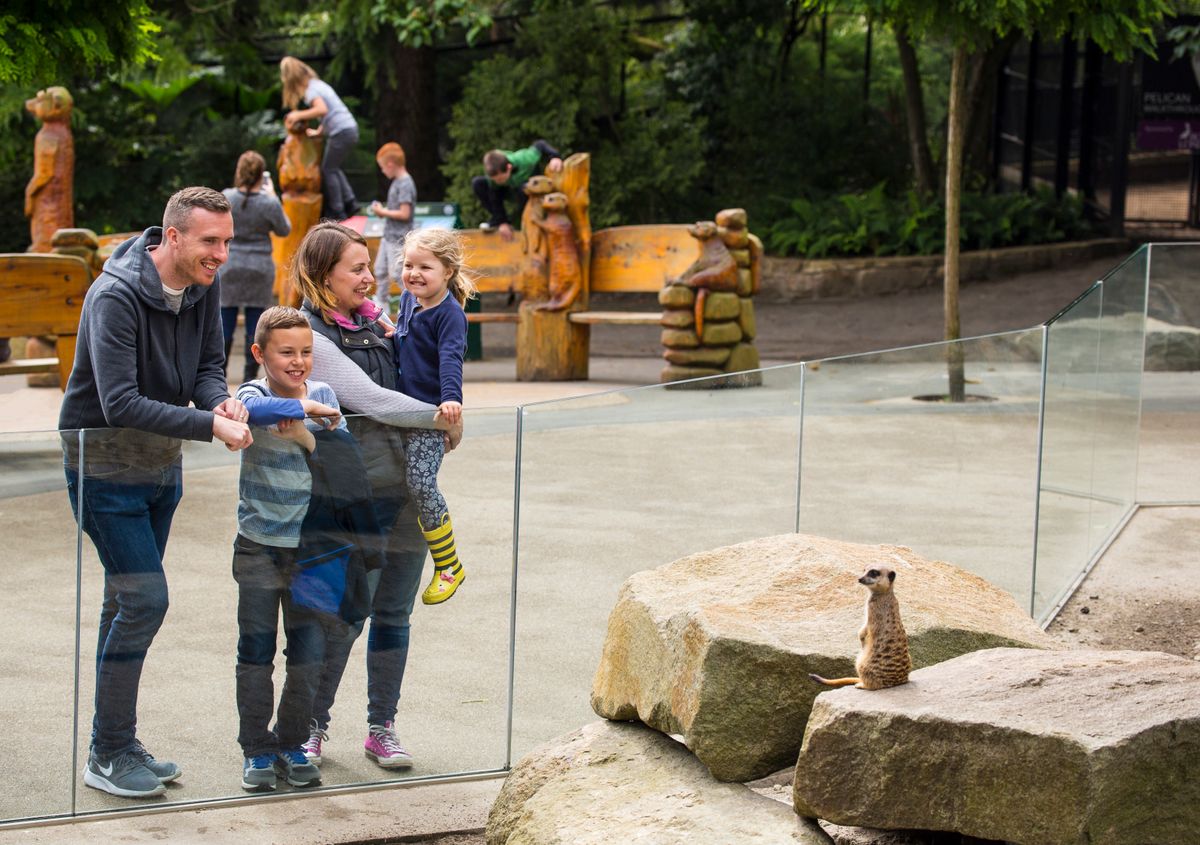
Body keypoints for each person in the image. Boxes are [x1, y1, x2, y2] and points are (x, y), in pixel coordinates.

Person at [59, 186, 254, 799]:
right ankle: (108, 752)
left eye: (227, 241)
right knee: (145, 601)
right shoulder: (114, 295)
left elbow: (205, 368)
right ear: (172, 236)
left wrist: (219, 399)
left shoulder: (202, 283)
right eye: (210, 241)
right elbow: (119, 402)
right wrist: (209, 426)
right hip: (104, 469)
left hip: (160, 467)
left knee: (124, 602)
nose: (221, 254)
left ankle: (116, 741)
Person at [291, 221, 460, 770]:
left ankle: (381, 727)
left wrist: (446, 408)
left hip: (403, 491)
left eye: (369, 266)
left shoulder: (380, 320)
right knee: (344, 616)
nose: (371, 277)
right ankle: (311, 726)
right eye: (357, 269)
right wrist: (444, 419)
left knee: (394, 613)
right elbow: (372, 399)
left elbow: (434, 367)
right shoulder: (311, 334)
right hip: (352, 496)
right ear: (324, 276)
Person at [232, 305, 344, 792]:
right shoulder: (253, 394)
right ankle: (257, 748)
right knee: (255, 652)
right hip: (259, 545)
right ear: (260, 353)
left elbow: (344, 461)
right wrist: (306, 413)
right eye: (286, 353)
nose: (298, 362)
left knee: (308, 654)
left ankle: (293, 742)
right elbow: (251, 414)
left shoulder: (324, 394)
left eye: (306, 352)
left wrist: (303, 435)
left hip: (313, 550)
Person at [393, 227, 475, 604]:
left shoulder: (450, 315)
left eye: (425, 267)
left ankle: (448, 564)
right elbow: (403, 339)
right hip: (401, 409)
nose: (414, 274)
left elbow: (450, 358)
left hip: (429, 415)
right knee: (402, 482)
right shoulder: (409, 300)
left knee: (421, 482)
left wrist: (451, 399)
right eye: (409, 265)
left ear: (447, 271)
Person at [221, 150, 292, 384]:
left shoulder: (227, 197)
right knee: (255, 322)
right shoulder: (268, 202)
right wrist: (274, 197)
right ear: (262, 174)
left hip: (230, 265)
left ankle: (218, 375)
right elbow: (284, 229)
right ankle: (249, 377)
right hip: (260, 267)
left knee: (225, 321)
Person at [281, 56, 360, 220]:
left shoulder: (311, 90)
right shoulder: (318, 85)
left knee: (328, 169)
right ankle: (350, 202)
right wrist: (319, 132)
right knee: (333, 167)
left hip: (342, 131)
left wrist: (297, 114)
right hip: (347, 129)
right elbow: (330, 112)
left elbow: (322, 110)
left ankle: (338, 211)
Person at [471, 139, 563, 241]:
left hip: (531, 188)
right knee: (478, 183)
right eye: (495, 180)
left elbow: (540, 144)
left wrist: (554, 157)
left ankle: (529, 224)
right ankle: (499, 221)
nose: (498, 182)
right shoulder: (493, 174)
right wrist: (502, 222)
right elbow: (495, 198)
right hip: (511, 190)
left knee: (522, 189)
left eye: (500, 179)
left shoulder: (525, 159)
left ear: (509, 167)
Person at [369, 142, 416, 314]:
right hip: (388, 235)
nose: (382, 171)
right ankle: (382, 307)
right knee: (380, 270)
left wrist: (383, 211)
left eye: (382, 167)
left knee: (398, 273)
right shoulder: (397, 182)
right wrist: (384, 212)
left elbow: (405, 213)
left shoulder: (405, 183)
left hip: (399, 237)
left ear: (390, 164)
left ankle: (413, 305)